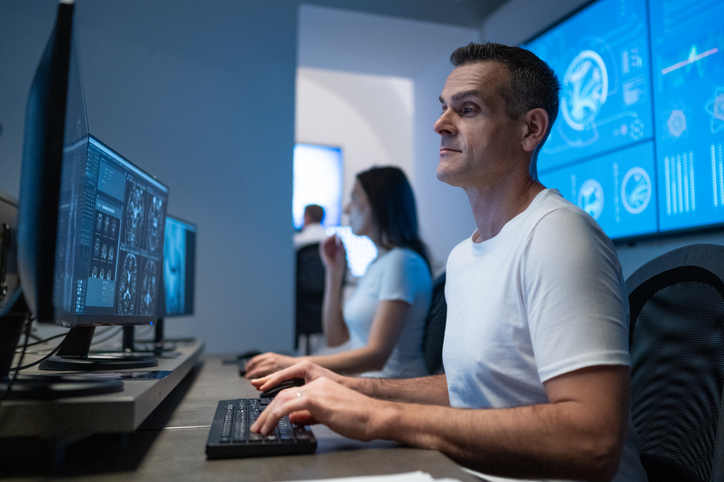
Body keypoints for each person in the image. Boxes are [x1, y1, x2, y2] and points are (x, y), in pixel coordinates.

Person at [249, 42, 647, 482]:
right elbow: (470, 389)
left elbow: (591, 442)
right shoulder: (464, 255)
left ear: (531, 130)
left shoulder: (559, 236)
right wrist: (350, 386)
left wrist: (380, 417)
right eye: (443, 109)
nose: (440, 124)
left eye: (468, 109)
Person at [244, 166, 433, 380]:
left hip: (396, 392)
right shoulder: (377, 263)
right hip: (370, 386)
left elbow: (377, 356)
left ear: (379, 204)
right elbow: (336, 338)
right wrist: (334, 274)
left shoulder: (403, 262)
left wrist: (290, 364)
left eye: (354, 198)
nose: (346, 209)